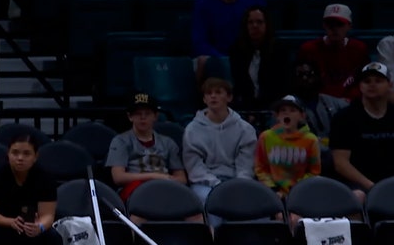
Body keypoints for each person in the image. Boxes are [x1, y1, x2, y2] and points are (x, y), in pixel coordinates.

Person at [329, 62, 394, 204]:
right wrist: (372, 186)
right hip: (359, 185)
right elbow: (341, 162)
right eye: (366, 81)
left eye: (378, 81)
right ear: (360, 86)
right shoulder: (344, 118)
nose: (372, 85)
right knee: (356, 198)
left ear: (390, 84)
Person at [181, 78, 256, 220]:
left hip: (237, 182)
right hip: (205, 184)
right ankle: (214, 241)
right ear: (204, 99)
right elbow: (195, 167)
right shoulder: (192, 130)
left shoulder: (245, 129)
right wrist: (217, 186)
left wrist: (237, 186)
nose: (213, 96)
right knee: (211, 205)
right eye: (209, 93)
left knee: (251, 203)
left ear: (229, 97)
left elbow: (246, 165)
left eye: (218, 92)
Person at [191, 0, 267, 73]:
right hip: (216, 62)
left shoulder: (255, 1)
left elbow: (265, 35)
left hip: (249, 61)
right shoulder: (203, 4)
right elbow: (199, 42)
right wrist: (224, 61)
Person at [106, 93, 186, 201]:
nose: (143, 118)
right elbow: (118, 177)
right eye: (138, 114)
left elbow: (182, 178)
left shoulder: (168, 142)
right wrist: (153, 176)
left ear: (155, 116)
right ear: (130, 117)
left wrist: (167, 180)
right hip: (135, 189)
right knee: (141, 212)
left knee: (194, 213)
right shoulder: (120, 141)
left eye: (147, 113)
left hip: (165, 186)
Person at [297, 3, 369, 101]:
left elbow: (365, 81)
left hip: (351, 103)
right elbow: (302, 84)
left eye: (340, 24)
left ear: (350, 26)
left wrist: (352, 99)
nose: (334, 29)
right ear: (324, 25)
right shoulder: (309, 49)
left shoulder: (359, 48)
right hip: (318, 102)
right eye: (330, 24)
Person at [254, 95, 321, 199]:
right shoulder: (266, 137)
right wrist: (273, 189)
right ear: (277, 116)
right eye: (282, 110)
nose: (286, 113)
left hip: (301, 192)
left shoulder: (311, 140)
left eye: (292, 110)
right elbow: (260, 168)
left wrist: (295, 188)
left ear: (302, 116)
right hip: (272, 193)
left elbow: (314, 171)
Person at [228, 6, 292, 113]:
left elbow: (282, 86)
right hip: (245, 106)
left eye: (259, 22)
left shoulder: (279, 49)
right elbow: (239, 85)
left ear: (267, 25)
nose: (255, 26)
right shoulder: (237, 50)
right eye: (250, 22)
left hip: (274, 107)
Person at [291, 60, 347, 148]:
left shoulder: (336, 103)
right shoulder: (285, 108)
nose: (305, 78)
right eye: (300, 75)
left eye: (309, 74)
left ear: (317, 76)